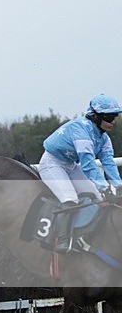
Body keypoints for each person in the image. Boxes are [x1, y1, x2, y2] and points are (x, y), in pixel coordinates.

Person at [39, 93, 122, 252]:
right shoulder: (80, 130)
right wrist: (104, 186)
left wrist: (118, 186)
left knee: (98, 199)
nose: (113, 121)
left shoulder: (104, 138)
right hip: (52, 164)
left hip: (70, 165)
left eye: (114, 117)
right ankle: (62, 241)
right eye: (109, 117)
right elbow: (88, 164)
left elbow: (109, 163)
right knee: (70, 199)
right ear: (96, 116)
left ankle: (84, 236)